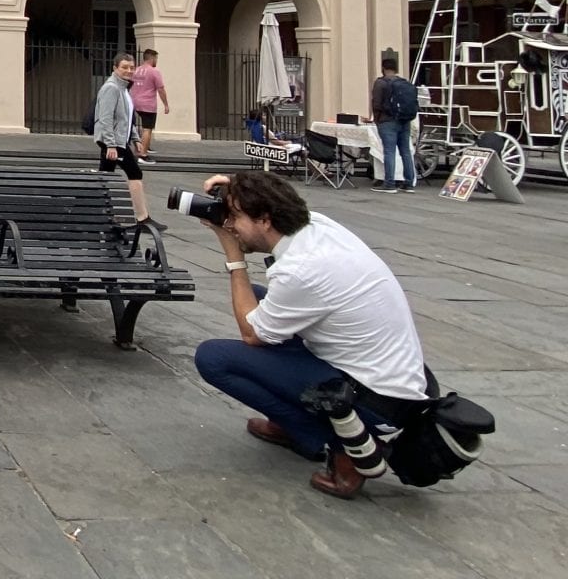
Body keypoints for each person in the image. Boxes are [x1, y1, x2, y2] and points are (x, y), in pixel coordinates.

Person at [194, 171, 429, 499]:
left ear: (264, 220)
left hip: (373, 403)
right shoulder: (316, 225)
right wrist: (237, 185)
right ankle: (290, 422)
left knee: (214, 358)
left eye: (234, 217)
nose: (229, 225)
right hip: (396, 382)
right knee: (260, 297)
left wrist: (234, 258)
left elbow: (252, 334)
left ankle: (338, 444)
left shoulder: (301, 270)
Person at [94, 52, 166, 232]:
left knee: (105, 176)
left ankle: (100, 214)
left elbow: (127, 118)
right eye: (124, 67)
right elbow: (105, 119)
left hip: (118, 141)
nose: (128, 71)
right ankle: (142, 218)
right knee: (135, 172)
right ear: (115, 68)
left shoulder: (124, 88)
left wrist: (134, 138)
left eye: (131, 67)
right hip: (114, 143)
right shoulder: (111, 88)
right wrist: (110, 144)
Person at [370, 58, 416, 193]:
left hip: (387, 121)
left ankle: (389, 183)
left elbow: (377, 103)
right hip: (404, 120)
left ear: (383, 68)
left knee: (389, 152)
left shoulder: (380, 83)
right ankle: (408, 183)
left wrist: (377, 119)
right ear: (396, 69)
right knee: (405, 152)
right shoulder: (404, 82)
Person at [129, 48, 169, 163]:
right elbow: (161, 89)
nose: (156, 61)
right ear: (152, 58)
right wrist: (166, 104)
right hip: (148, 103)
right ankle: (143, 154)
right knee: (147, 128)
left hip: (134, 101)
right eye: (156, 58)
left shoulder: (136, 70)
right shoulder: (154, 72)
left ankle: (143, 146)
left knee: (138, 126)